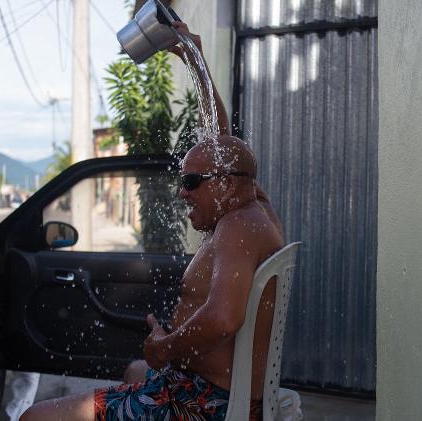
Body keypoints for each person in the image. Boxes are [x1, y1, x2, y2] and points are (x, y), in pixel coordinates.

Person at [21, 22, 284, 421]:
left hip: (204, 403)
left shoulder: (238, 227)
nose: (183, 192)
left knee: (35, 416)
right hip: (203, 387)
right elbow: (221, 144)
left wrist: (166, 348)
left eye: (192, 182)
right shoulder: (247, 207)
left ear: (227, 183)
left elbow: (223, 318)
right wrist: (195, 59)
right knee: (133, 371)